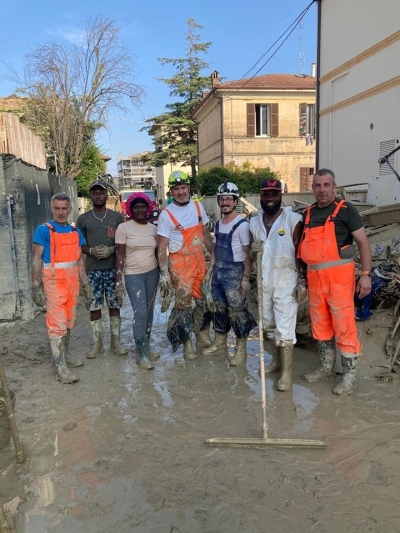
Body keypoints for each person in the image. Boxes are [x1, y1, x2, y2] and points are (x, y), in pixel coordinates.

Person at [298, 169, 372, 395]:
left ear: (334, 186)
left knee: (344, 326)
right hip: (314, 278)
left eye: (326, 185)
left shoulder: (345, 209)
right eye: (317, 186)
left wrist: (366, 275)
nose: (322, 190)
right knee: (320, 325)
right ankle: (326, 369)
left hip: (340, 277)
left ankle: (349, 378)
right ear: (313, 189)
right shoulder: (308, 213)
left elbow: (363, 243)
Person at [31, 192, 93, 384]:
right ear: (51, 209)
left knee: (68, 321)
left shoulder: (75, 231)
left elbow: (79, 260)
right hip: (54, 283)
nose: (60, 212)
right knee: (56, 325)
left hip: (72, 283)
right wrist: (35, 287)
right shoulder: (44, 230)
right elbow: (35, 259)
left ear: (70, 209)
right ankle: (60, 368)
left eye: (64, 208)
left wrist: (85, 283)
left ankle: (65, 356)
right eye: (57, 208)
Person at [250, 179, 305, 392]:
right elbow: (251, 255)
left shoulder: (292, 219)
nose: (270, 198)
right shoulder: (255, 222)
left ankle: (287, 374)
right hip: (264, 281)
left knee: (285, 327)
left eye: (274, 194)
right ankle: (275, 362)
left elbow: (301, 253)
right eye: (266, 194)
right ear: (260, 196)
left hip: (286, 280)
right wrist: (252, 251)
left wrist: (302, 281)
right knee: (268, 323)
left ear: (280, 195)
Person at [157, 170, 214, 359]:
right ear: (171, 192)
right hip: (180, 265)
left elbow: (205, 235)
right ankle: (187, 342)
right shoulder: (167, 215)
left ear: (189, 188)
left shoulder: (198, 208)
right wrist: (164, 272)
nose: (181, 192)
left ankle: (200, 334)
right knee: (183, 305)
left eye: (183, 187)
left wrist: (215, 256)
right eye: (176, 189)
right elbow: (162, 246)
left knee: (202, 301)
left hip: (199, 262)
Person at [203, 182, 256, 365]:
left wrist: (246, 278)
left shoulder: (242, 225)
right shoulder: (218, 224)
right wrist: (210, 269)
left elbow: (249, 255)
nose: (225, 202)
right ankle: (220, 343)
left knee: (238, 312)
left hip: (235, 273)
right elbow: (215, 249)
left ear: (235, 202)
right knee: (219, 309)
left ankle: (241, 350)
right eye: (222, 199)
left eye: (228, 199)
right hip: (218, 272)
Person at [76, 180, 127, 359]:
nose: (98, 196)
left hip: (113, 269)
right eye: (94, 193)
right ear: (90, 196)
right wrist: (90, 250)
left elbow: (123, 242)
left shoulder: (116, 218)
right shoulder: (83, 219)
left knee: (114, 305)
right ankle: (97, 342)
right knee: (94, 306)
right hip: (92, 270)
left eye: (101, 192)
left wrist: (111, 249)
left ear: (107, 195)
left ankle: (115, 341)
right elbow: (79, 244)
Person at [115, 192, 160, 370]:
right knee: (140, 312)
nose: (140, 210)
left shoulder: (153, 229)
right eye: (136, 207)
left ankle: (147, 346)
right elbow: (120, 256)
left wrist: (165, 274)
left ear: (148, 208)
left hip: (152, 273)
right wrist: (118, 280)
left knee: (149, 311)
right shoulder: (124, 228)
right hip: (133, 275)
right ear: (131, 210)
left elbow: (158, 253)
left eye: (143, 207)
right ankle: (140, 352)